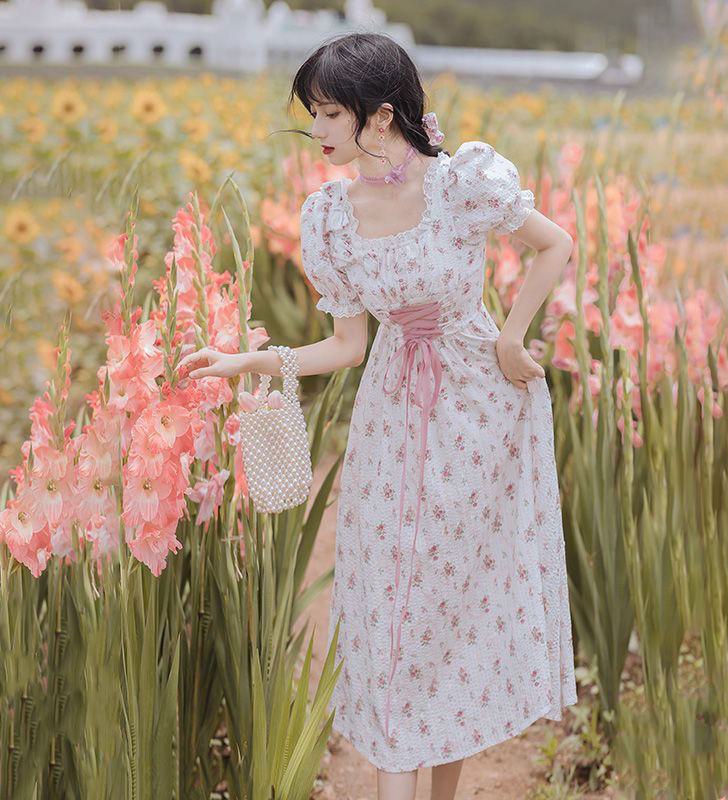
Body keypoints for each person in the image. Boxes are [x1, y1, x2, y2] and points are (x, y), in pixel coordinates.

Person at [178, 31, 577, 800]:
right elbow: (347, 344)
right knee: (389, 601)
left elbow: (554, 246)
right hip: (392, 410)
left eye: (330, 114)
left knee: (453, 603)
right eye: (315, 115)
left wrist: (512, 338)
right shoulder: (332, 215)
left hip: (477, 410)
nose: (319, 131)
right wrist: (249, 362)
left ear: (382, 115)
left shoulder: (462, 184)